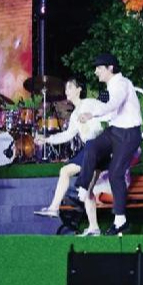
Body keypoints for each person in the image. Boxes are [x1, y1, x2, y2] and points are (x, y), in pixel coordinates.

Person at [64, 53, 143, 235]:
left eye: (99, 68)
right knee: (92, 145)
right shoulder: (111, 86)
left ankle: (120, 220)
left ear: (110, 68)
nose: (96, 72)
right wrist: (92, 116)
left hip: (129, 134)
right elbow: (110, 113)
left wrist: (92, 113)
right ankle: (82, 188)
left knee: (116, 173)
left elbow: (113, 104)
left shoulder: (122, 84)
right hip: (115, 131)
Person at [33, 77, 110, 236]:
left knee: (65, 171)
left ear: (79, 89)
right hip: (93, 151)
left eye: (70, 87)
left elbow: (106, 114)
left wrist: (92, 121)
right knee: (88, 191)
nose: (66, 91)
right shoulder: (74, 114)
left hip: (97, 147)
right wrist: (47, 139)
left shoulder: (90, 103)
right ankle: (94, 227)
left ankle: (54, 207)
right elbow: (67, 135)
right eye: (66, 88)